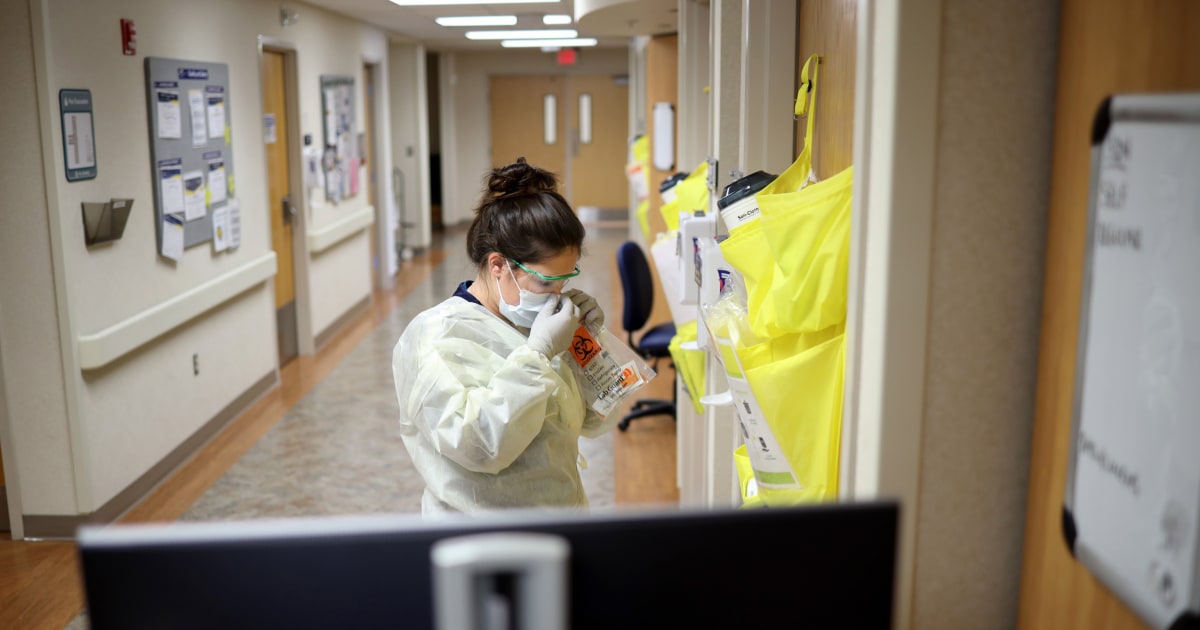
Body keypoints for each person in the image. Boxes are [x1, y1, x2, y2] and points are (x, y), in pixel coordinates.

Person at [392, 157, 613, 514]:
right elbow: (478, 446)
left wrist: (587, 346)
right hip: (481, 540)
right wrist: (539, 354)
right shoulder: (434, 337)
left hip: (560, 519)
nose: (556, 297)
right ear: (498, 265)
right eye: (544, 281)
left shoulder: (538, 325)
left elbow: (593, 420)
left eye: (564, 282)